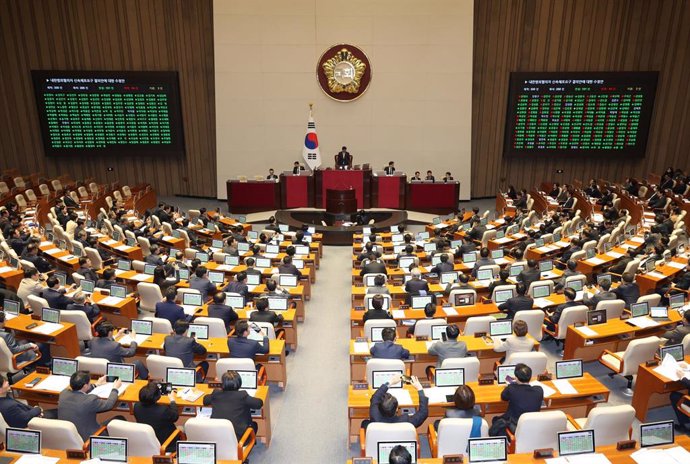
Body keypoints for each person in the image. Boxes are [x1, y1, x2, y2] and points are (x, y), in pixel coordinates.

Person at [58, 371, 122, 440]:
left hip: (68, 436)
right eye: (89, 383)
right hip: (88, 438)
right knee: (120, 418)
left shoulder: (63, 394)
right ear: (85, 386)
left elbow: (79, 392)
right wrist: (115, 388)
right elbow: (109, 404)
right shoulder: (90, 400)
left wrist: (96, 385)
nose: (90, 383)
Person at [203, 370, 263, 439]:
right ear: (239, 383)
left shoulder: (216, 394)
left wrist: (219, 390)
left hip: (217, 436)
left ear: (223, 383)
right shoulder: (242, 395)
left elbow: (205, 400)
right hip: (239, 439)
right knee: (254, 425)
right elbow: (259, 404)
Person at [489, 363, 543, 436]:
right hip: (532, 424)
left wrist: (511, 385)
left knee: (495, 420)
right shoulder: (539, 390)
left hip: (514, 424)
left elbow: (503, 397)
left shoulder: (512, 388)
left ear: (516, 378)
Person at [133, 382, 179, 451]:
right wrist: (172, 400)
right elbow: (175, 416)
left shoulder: (136, 406)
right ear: (158, 396)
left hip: (147, 440)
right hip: (165, 442)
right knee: (181, 428)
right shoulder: (163, 410)